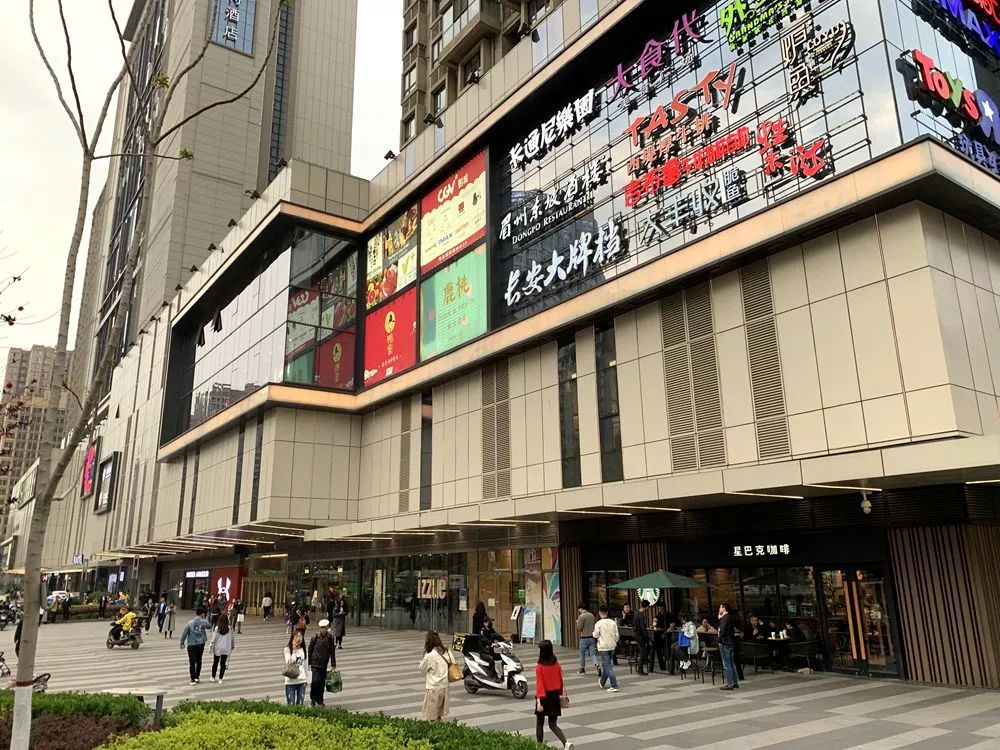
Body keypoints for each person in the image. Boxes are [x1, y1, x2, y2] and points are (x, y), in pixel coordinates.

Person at [535, 640, 574, 750]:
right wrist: (559, 694)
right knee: (553, 724)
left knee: (540, 723)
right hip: (554, 696)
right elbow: (560, 682)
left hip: (544, 697)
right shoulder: (557, 665)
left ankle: (539, 746)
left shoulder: (540, 667)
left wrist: (539, 701)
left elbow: (540, 685)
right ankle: (566, 743)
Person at [419, 630, 454, 722]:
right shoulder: (447, 651)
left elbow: (422, 668)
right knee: (438, 715)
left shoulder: (430, 655)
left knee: (431, 717)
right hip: (444, 687)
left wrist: (425, 655)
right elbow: (453, 663)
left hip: (433, 688)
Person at [307, 618, 337, 707]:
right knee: (315, 681)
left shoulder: (330, 638)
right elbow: (310, 650)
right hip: (315, 663)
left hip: (324, 664)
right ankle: (313, 698)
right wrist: (308, 662)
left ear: (327, 628)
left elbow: (332, 651)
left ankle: (320, 700)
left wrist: (333, 664)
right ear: (319, 628)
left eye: (325, 628)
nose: (323, 629)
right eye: (322, 628)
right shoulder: (315, 638)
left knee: (321, 683)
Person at [179, 607, 213, 685]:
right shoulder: (203, 621)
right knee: (199, 660)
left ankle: (192, 679)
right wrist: (206, 618)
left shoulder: (190, 623)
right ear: (202, 614)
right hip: (200, 644)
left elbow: (185, 633)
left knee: (192, 661)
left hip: (191, 644)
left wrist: (182, 643)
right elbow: (210, 626)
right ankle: (197, 676)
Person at [593, 605, 620, 693]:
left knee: (608, 666)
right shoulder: (613, 622)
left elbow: (595, 635)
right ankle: (602, 681)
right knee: (606, 665)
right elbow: (617, 635)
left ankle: (614, 685)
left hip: (603, 646)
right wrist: (615, 642)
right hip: (612, 646)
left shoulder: (598, 623)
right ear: (607, 612)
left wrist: (594, 634)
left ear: (600, 613)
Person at [717, 602, 739, 691]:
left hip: (725, 642)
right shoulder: (729, 617)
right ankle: (735, 682)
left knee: (727, 664)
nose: (719, 609)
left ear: (724, 608)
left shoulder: (724, 618)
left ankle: (730, 683)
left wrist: (719, 640)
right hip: (730, 642)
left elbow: (722, 630)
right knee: (731, 662)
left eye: (720, 608)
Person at [283, 631, 308, 705]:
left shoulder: (304, 650)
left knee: (300, 705)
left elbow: (306, 665)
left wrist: (306, 680)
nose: (298, 638)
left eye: (300, 636)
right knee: (291, 705)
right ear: (292, 638)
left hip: (301, 681)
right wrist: (294, 651)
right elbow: (289, 662)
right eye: (296, 636)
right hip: (290, 681)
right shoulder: (287, 650)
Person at [210, 613, 235, 683]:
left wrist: (210, 646)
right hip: (226, 648)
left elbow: (213, 639)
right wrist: (232, 645)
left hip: (218, 648)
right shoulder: (229, 629)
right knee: (223, 663)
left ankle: (213, 677)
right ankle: (220, 678)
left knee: (215, 662)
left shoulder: (217, 628)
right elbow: (232, 638)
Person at [576, 604, 598, 675]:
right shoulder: (591, 615)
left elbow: (579, 628)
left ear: (580, 609)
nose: (579, 611)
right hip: (591, 637)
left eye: (579, 610)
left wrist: (577, 622)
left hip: (584, 638)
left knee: (582, 654)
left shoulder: (581, 616)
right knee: (593, 654)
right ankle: (597, 664)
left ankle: (582, 668)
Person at [633, 600, 651, 676]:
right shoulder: (641, 615)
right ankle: (640, 669)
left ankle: (641, 666)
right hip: (640, 635)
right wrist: (647, 638)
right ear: (647, 607)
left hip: (635, 633)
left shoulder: (636, 612)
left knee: (642, 650)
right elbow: (643, 628)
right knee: (643, 651)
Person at [652, 604, 671, 672]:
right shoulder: (657, 616)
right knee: (658, 651)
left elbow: (671, 626)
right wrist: (654, 626)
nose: (660, 610)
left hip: (667, 635)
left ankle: (668, 665)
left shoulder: (668, 615)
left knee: (667, 650)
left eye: (662, 609)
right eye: (659, 609)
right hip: (658, 635)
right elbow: (654, 625)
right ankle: (662, 666)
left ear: (664, 609)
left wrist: (665, 632)